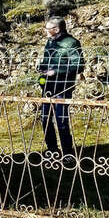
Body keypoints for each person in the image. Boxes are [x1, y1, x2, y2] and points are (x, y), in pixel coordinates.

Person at [37, 16, 84, 155]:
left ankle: (67, 153)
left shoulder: (72, 43)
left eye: (47, 28)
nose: (45, 31)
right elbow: (47, 60)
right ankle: (52, 150)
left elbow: (79, 66)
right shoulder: (49, 42)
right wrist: (42, 67)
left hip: (63, 86)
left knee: (61, 120)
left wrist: (56, 71)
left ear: (56, 29)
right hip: (47, 86)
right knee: (45, 118)